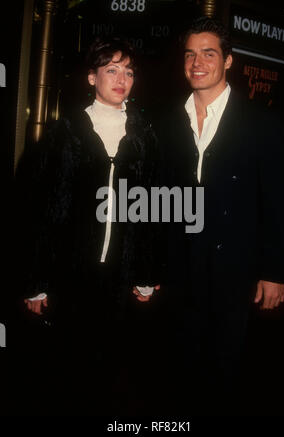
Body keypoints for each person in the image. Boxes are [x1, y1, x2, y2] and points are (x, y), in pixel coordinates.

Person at [154, 17, 284, 415]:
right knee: (180, 373)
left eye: (208, 53)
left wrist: (275, 270)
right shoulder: (166, 123)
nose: (197, 62)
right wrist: (152, 266)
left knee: (226, 375)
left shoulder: (262, 123)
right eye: (190, 54)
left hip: (237, 273)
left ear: (228, 61)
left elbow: (279, 202)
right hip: (181, 273)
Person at [13, 37, 160, 414]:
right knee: (64, 370)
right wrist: (36, 281)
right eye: (111, 69)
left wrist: (145, 272)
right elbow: (38, 212)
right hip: (69, 275)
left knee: (112, 372)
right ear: (91, 77)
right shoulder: (63, 134)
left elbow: (150, 211)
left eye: (128, 71)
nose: (121, 78)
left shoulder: (144, 136)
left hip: (119, 277)